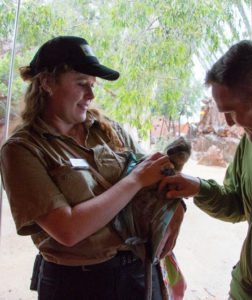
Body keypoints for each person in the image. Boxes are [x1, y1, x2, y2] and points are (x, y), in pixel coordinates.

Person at [0, 36, 183, 300]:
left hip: (138, 273)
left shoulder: (107, 129)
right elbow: (68, 230)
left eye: (93, 85)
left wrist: (176, 210)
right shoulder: (22, 149)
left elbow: (156, 174)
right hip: (78, 283)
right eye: (82, 84)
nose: (91, 95)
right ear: (47, 83)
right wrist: (134, 181)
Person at [159, 40, 252, 299]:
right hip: (242, 292)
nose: (228, 124)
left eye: (231, 112)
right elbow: (237, 204)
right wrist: (199, 188)